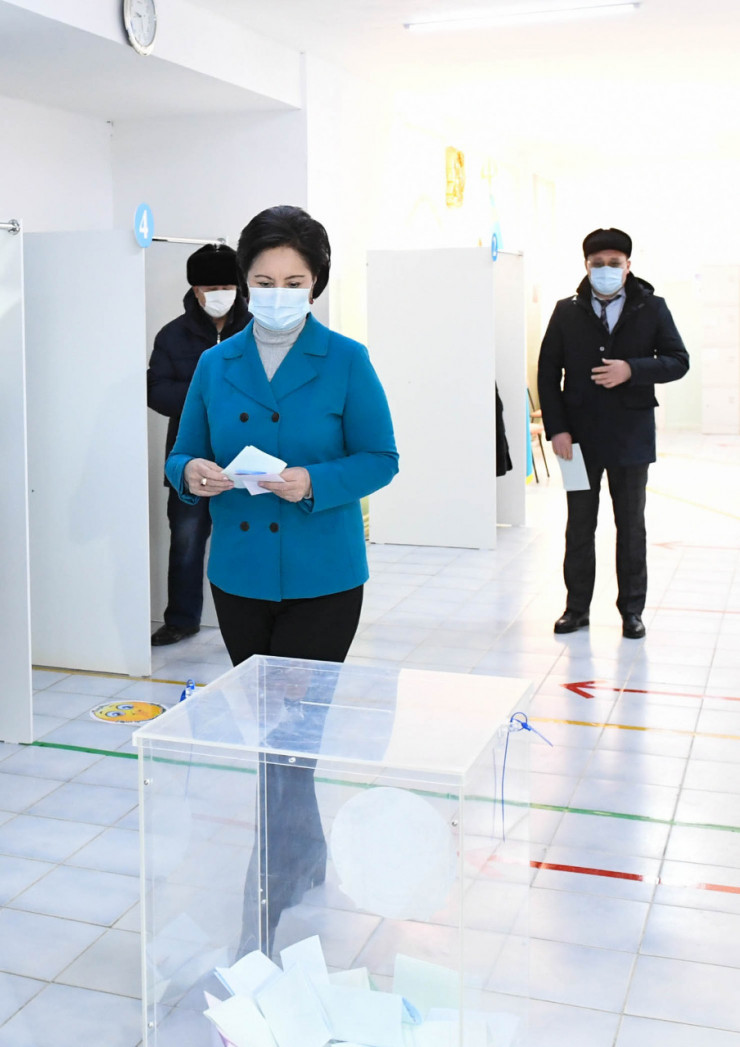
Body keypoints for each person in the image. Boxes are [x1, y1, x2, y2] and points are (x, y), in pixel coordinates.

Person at [165, 204, 398, 667]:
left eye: (293, 284)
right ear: (245, 284)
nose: (278, 295)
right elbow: (182, 454)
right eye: (264, 282)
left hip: (324, 570)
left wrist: (312, 481)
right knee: (255, 702)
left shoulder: (347, 359)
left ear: (315, 284)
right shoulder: (215, 363)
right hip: (239, 569)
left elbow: (380, 458)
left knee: (304, 707)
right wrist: (189, 472)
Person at [537, 227, 689, 639]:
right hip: (576, 441)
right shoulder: (566, 311)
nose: (606, 269)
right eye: (598, 263)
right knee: (579, 526)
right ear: (587, 266)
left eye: (614, 263)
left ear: (628, 266)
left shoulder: (652, 307)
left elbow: (678, 360)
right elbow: (548, 374)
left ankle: (632, 611)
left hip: (631, 439)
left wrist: (632, 370)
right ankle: (576, 609)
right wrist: (558, 430)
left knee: (631, 526)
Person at [147, 244, 251, 646]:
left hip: (249, 456)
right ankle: (181, 619)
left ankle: (251, 616)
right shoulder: (173, 335)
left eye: (227, 287)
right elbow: (156, 390)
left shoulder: (259, 328)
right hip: (190, 457)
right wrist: (208, 399)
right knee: (186, 539)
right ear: (195, 289)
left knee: (250, 536)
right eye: (210, 288)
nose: (219, 294)